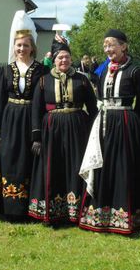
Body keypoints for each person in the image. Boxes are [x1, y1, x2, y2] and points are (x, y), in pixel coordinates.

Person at [78, 29, 140, 235]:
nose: (107, 49)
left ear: (123, 46)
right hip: (105, 121)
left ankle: (131, 213)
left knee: (125, 165)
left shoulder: (135, 71)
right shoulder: (104, 70)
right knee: (104, 165)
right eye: (105, 45)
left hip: (125, 123)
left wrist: (138, 125)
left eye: (112, 44)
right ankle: (103, 212)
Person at [28, 39, 98, 224]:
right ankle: (54, 211)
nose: (64, 61)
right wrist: (36, 137)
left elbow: (92, 107)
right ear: (54, 60)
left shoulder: (82, 79)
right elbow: (36, 109)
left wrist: (94, 132)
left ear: (71, 58)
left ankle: (78, 210)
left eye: (67, 57)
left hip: (78, 129)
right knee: (54, 166)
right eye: (60, 57)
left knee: (76, 165)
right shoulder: (44, 80)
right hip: (52, 130)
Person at [0, 11, 45, 220]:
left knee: (29, 160)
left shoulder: (40, 70)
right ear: (14, 47)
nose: (22, 49)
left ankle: (29, 208)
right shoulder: (6, 70)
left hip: (31, 118)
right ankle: (8, 207)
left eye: (26, 45)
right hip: (11, 119)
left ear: (32, 48)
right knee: (10, 159)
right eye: (18, 45)